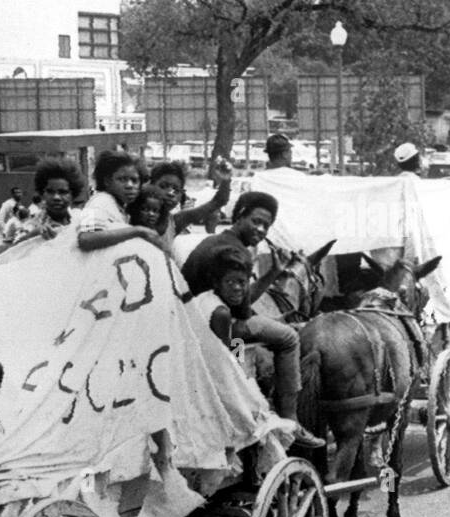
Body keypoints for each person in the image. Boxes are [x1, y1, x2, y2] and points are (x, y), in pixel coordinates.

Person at [179, 194, 317, 440]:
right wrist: (272, 276)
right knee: (288, 337)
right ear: (240, 215)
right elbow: (242, 308)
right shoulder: (238, 253)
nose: (261, 229)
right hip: (217, 320)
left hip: (196, 314)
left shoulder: (214, 240)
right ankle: (291, 419)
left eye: (266, 225)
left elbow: (240, 300)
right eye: (256, 221)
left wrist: (272, 273)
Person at [75, 150, 166, 255]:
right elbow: (85, 238)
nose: (130, 185)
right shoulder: (98, 202)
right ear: (107, 181)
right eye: (122, 179)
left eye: (135, 180)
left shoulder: (120, 206)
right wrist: (138, 231)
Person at [149, 159, 231, 240]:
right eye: (163, 186)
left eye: (176, 190)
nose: (170, 193)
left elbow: (218, 201)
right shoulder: (138, 217)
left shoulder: (175, 222)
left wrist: (226, 180)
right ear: (150, 185)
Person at [22, 158, 85, 242]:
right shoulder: (31, 226)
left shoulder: (81, 220)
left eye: (63, 192)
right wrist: (33, 235)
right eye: (50, 192)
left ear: (72, 195)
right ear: (42, 194)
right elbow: (9, 253)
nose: (56, 197)